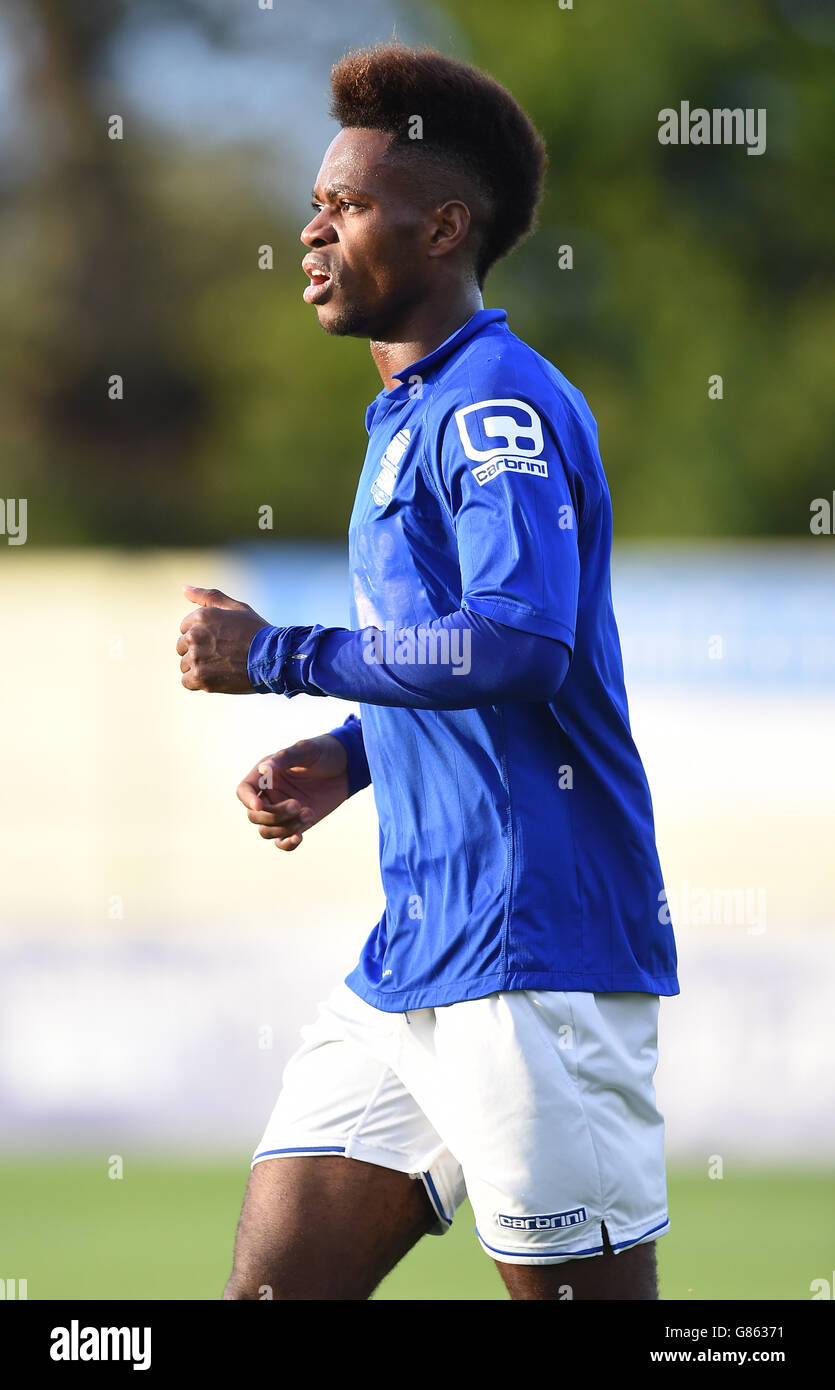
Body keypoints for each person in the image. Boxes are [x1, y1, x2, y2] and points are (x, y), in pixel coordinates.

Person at [176, 43, 679, 1301]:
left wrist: (277, 658)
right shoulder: (414, 410)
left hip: (534, 959)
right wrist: (354, 755)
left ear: (444, 225)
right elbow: (472, 657)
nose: (310, 229)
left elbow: (518, 643)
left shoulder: (492, 405)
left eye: (342, 205)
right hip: (417, 954)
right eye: (314, 205)